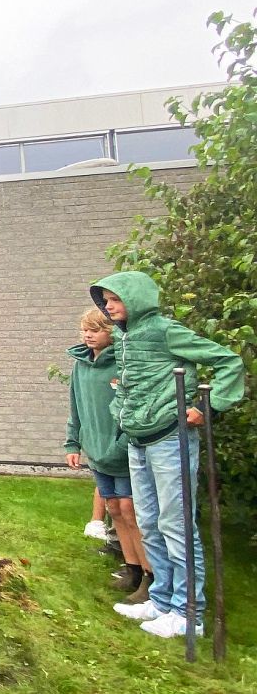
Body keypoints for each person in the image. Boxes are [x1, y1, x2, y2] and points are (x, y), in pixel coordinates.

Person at [93, 272, 244, 638]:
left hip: (169, 438)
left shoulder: (165, 331)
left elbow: (228, 361)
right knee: (149, 523)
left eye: (115, 300)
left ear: (137, 298)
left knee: (176, 525)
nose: (108, 307)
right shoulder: (126, 337)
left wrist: (208, 407)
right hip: (138, 440)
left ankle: (189, 612)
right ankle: (161, 600)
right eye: (107, 300)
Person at [63, 308, 152, 603]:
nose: (88, 335)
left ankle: (152, 578)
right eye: (84, 330)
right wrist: (73, 443)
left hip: (122, 450)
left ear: (111, 332)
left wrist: (120, 444)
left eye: (96, 330)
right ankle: (132, 569)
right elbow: (76, 406)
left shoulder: (122, 365)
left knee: (130, 509)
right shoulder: (80, 365)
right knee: (113, 508)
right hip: (97, 450)